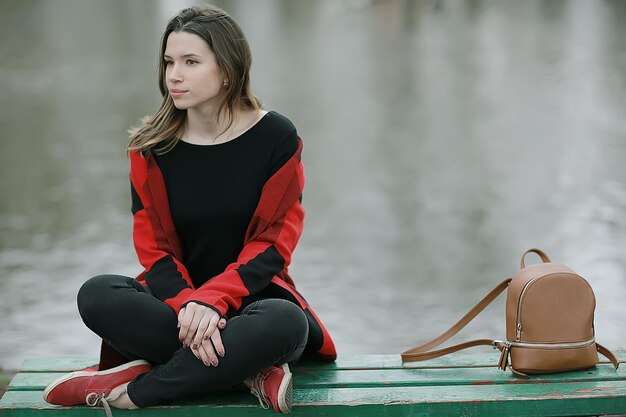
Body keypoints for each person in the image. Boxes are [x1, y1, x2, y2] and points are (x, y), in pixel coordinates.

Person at [42, 5, 336, 414]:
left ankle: (137, 389)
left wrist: (214, 300)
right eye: (169, 62)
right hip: (173, 308)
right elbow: (154, 249)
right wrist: (189, 306)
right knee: (97, 294)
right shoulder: (150, 146)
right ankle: (248, 370)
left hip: (254, 306)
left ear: (229, 70)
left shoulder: (276, 137)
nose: (174, 75)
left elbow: (273, 244)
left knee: (286, 322)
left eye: (190, 62)